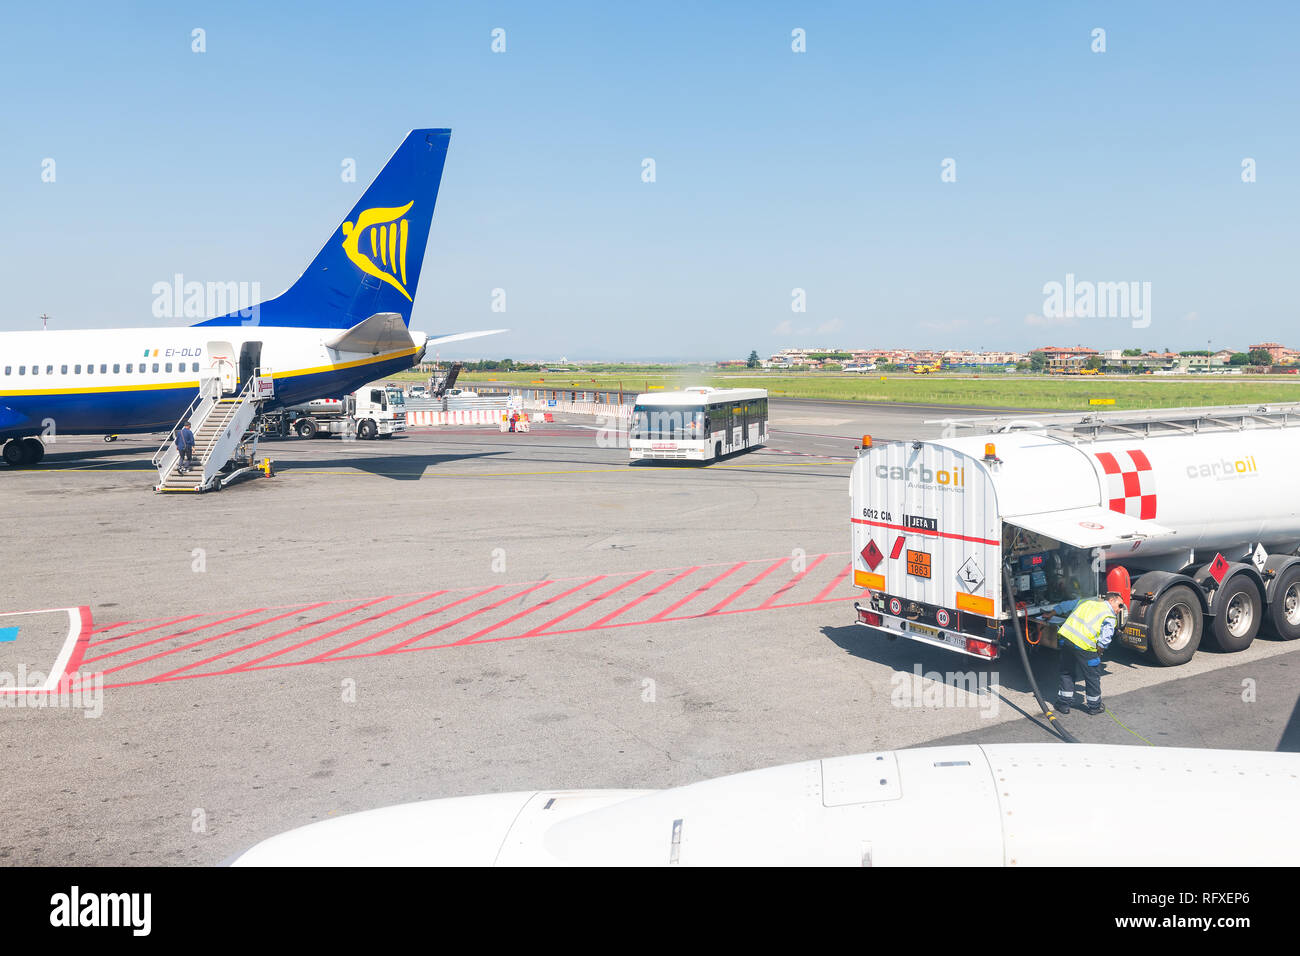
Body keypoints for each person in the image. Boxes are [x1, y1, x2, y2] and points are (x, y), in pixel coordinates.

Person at [1052, 591, 1124, 715]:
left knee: (1067, 672)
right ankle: (1094, 706)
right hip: (1085, 647)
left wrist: (1051, 613)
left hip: (1067, 640)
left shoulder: (1088, 601)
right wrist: (1099, 652)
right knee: (1092, 677)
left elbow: (1067, 605)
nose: (1120, 609)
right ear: (1111, 600)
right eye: (1120, 605)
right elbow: (1104, 640)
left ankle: (1063, 704)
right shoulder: (1109, 616)